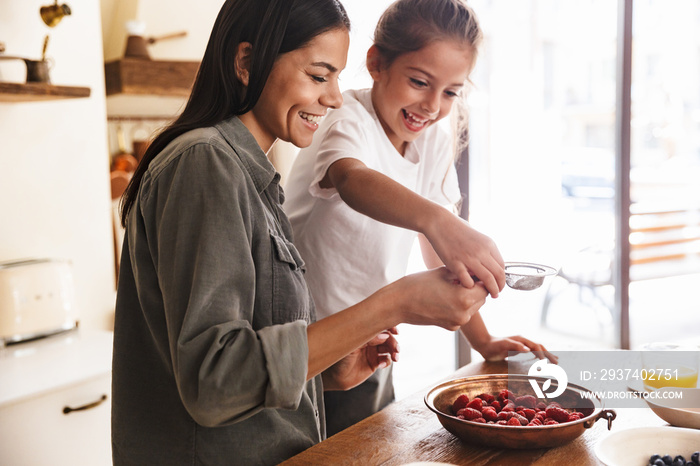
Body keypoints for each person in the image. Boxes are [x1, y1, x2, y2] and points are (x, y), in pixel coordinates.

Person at [111, 0, 490, 464]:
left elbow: (248, 360)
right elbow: (214, 383)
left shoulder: (250, 177)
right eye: (318, 75)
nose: (333, 97)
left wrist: (327, 371)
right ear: (247, 63)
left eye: (335, 78)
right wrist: (396, 302)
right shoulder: (204, 163)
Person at [284, 0, 555, 436]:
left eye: (450, 92)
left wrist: (482, 341)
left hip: (368, 344)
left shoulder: (429, 142)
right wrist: (439, 221)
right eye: (418, 82)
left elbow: (441, 257)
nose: (431, 105)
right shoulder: (346, 118)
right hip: (305, 347)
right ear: (376, 63)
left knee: (370, 443)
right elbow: (353, 179)